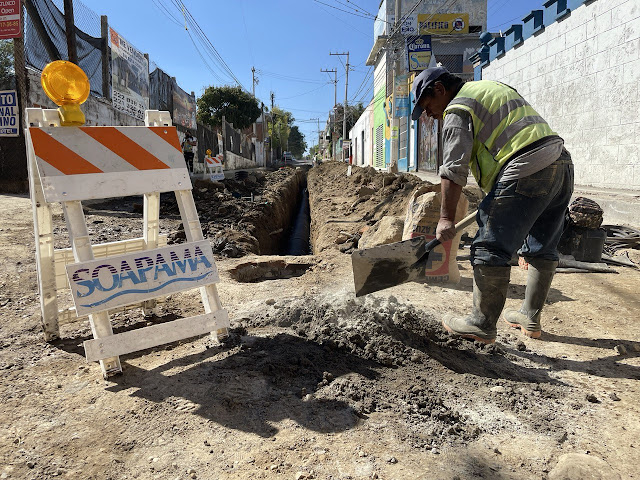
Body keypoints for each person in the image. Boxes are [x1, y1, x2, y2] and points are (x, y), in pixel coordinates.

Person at [410, 66, 574, 344]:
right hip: (561, 163)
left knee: (489, 245)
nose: (428, 115)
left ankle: (481, 324)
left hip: (526, 167)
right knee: (542, 246)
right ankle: (530, 317)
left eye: (427, 106)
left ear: (439, 89)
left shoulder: (458, 109)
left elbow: (452, 169)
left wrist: (446, 218)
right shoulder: (490, 89)